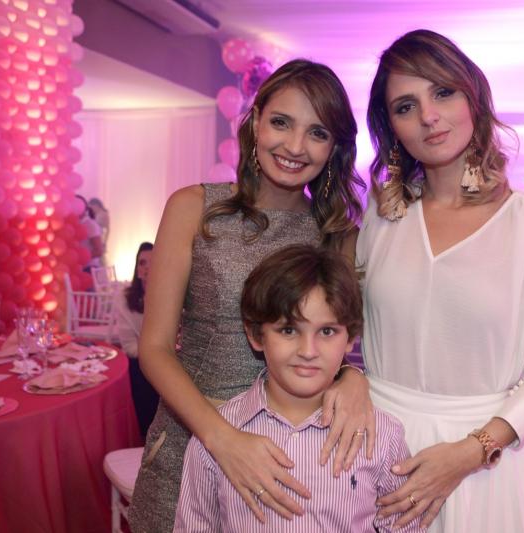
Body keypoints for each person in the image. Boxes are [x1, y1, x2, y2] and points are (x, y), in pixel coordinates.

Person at [357, 29, 524, 532]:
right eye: (405, 106)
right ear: (392, 128)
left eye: (442, 92)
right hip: (375, 451)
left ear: (473, 98)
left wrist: (472, 451)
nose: (428, 116)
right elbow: (347, 331)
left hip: (483, 462)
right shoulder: (380, 217)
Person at [128, 60, 370, 532]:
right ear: (256, 121)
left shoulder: (336, 234)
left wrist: (352, 377)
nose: (295, 146)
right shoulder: (194, 208)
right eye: (281, 122)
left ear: (335, 148)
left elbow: (329, 343)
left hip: (290, 453)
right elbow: (154, 349)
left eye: (317, 133)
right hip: (193, 437)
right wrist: (222, 438)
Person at [174, 244, 418, 532]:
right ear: (256, 335)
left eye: (327, 331)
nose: (308, 351)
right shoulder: (217, 435)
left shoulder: (383, 436)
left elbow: (405, 526)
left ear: (350, 337)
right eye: (288, 330)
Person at [114, 241, 159, 439]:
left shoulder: (173, 295)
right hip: (141, 362)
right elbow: (129, 346)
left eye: (153, 261)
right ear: (137, 270)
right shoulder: (126, 299)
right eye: (142, 263)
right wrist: (155, 353)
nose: (147, 267)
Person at [76, 194, 104, 272]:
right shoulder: (76, 224)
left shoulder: (90, 224)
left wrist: (80, 258)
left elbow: (99, 251)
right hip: (79, 269)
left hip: (89, 268)